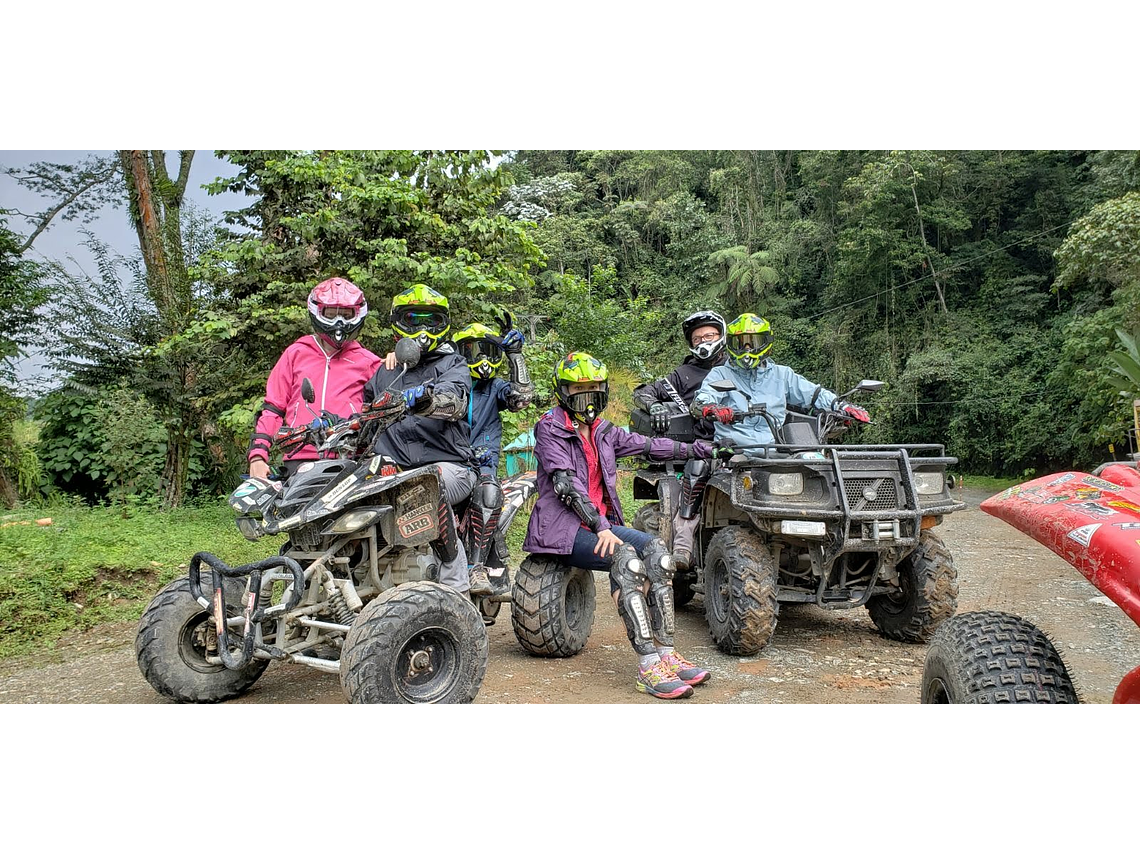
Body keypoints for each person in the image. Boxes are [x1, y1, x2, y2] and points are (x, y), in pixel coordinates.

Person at [523, 351, 721, 700]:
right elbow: (565, 485)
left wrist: (700, 450)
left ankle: (665, 652)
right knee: (627, 560)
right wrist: (601, 526)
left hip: (601, 526)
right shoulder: (550, 428)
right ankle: (647, 667)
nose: (587, 397)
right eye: (578, 389)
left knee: (658, 553)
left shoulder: (603, 430)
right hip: (564, 529)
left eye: (594, 388)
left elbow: (649, 446)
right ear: (563, 392)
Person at [362, 284, 477, 594]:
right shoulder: (384, 372)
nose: (424, 329)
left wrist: (426, 399)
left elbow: (455, 401)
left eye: (432, 321)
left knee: (425, 485)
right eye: (414, 320)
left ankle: (457, 588)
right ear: (400, 323)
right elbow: (364, 419)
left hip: (450, 468)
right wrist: (334, 427)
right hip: (393, 472)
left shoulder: (453, 365)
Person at [247, 277, 381, 481]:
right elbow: (273, 408)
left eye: (346, 315)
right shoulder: (296, 354)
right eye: (331, 313)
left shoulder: (368, 361)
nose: (339, 322)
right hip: (299, 458)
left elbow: (385, 410)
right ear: (318, 312)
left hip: (352, 457)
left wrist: (394, 361)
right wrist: (258, 457)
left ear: (357, 314)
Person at [690, 313, 869, 455]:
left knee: (816, 466)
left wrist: (842, 406)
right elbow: (703, 398)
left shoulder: (782, 374)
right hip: (733, 452)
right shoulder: (721, 373)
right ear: (730, 344)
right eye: (740, 342)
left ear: (766, 342)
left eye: (753, 342)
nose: (746, 349)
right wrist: (711, 408)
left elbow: (813, 394)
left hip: (776, 449)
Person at [631, 310, 728, 571]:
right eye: (698, 339)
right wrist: (654, 407)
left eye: (710, 335)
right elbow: (643, 392)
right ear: (691, 343)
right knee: (696, 471)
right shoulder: (683, 374)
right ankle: (682, 547)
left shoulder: (740, 367)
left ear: (722, 335)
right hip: (704, 446)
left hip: (749, 442)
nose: (705, 341)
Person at [451, 319, 534, 595]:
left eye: (490, 351)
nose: (483, 359)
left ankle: (477, 569)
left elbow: (522, 398)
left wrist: (516, 356)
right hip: (449, 460)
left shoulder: (496, 387)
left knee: (488, 493)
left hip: (484, 465)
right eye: (475, 351)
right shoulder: (450, 383)